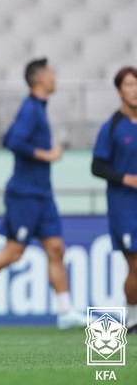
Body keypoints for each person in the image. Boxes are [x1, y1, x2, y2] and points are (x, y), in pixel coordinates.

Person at [0, 58, 84, 330]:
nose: (55, 77)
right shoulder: (30, 108)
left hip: (42, 194)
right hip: (24, 194)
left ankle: (65, 311)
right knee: (13, 253)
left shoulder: (38, 108)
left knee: (56, 249)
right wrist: (45, 154)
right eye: (50, 73)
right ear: (39, 79)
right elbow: (12, 141)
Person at [92, 66, 137, 334]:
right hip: (124, 208)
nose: (135, 90)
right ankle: (132, 318)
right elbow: (97, 166)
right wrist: (126, 179)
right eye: (130, 85)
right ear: (120, 91)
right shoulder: (112, 127)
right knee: (135, 264)